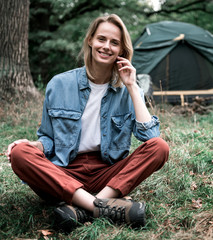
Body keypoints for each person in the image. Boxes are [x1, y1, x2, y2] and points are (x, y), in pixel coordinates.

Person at [6, 14, 169, 232]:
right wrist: (35, 147)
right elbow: (48, 137)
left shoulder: (128, 89)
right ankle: (101, 207)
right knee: (20, 153)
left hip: (107, 174)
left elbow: (151, 139)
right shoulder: (59, 84)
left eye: (114, 42)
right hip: (64, 173)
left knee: (160, 147)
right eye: (102, 39)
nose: (106, 46)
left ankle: (83, 207)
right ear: (90, 40)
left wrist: (131, 87)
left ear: (121, 50)